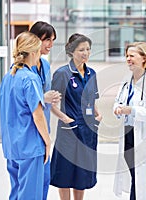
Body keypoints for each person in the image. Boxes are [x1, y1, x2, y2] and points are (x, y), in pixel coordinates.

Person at [50, 33, 102, 200]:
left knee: (82, 173)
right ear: (71, 51)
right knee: (65, 172)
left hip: (88, 130)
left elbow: (92, 99)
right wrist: (64, 118)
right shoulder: (62, 74)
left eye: (88, 49)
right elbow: (51, 103)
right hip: (69, 130)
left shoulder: (91, 73)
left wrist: (98, 114)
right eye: (81, 50)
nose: (85, 53)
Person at [0, 31, 51, 200]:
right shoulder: (30, 78)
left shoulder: (9, 76)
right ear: (34, 53)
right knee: (30, 195)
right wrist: (48, 142)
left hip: (12, 146)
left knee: (16, 193)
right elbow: (38, 115)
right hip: (30, 147)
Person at [113, 42, 146, 200]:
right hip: (128, 134)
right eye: (127, 56)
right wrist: (117, 108)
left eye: (132, 56)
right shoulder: (127, 80)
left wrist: (131, 110)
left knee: (142, 179)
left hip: (143, 137)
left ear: (144, 58)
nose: (128, 59)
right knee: (134, 175)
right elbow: (118, 100)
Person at [29, 21, 72, 200]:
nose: (50, 45)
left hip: (43, 129)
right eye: (47, 39)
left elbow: (47, 99)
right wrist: (43, 98)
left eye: (53, 40)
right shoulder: (22, 70)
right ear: (34, 39)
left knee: (44, 180)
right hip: (30, 131)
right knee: (30, 186)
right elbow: (33, 100)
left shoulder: (45, 66)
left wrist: (61, 114)